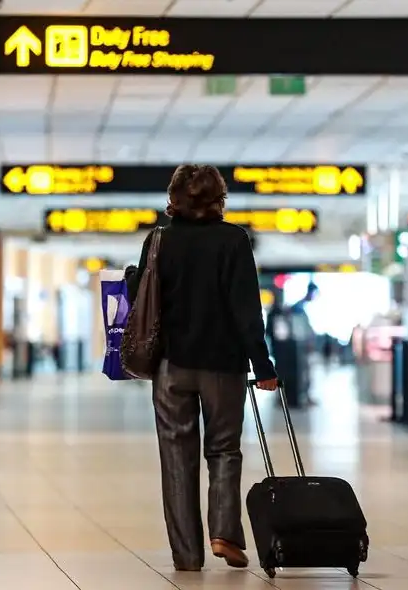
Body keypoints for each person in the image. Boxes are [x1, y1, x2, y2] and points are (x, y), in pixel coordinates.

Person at [125, 164, 278, 573]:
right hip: (223, 366)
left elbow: (142, 295)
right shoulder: (234, 240)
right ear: (219, 199)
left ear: (173, 199)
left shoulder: (159, 240)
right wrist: (263, 365)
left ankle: (186, 555)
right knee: (224, 450)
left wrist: (132, 278)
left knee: (176, 457)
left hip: (171, 366)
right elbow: (247, 310)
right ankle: (224, 532)